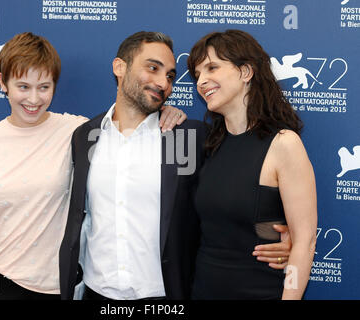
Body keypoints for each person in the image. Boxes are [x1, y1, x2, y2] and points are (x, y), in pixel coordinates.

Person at [57, 31, 293, 300]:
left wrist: (281, 238)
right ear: (119, 67)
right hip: (95, 292)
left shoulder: (189, 137)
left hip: (165, 297)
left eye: (169, 75)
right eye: (153, 68)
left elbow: (235, 193)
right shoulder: (85, 136)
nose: (163, 83)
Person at [0, 32, 186, 300]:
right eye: (23, 86)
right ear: (2, 83)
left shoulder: (79, 131)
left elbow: (127, 119)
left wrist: (168, 112)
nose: (33, 99)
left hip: (55, 286)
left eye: (44, 87)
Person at [187, 29, 317, 299]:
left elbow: (304, 242)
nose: (201, 81)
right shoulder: (209, 144)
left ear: (246, 72)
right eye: (197, 74)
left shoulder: (284, 144)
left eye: (212, 68)